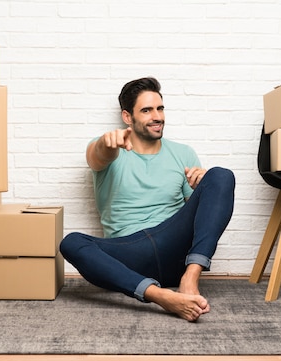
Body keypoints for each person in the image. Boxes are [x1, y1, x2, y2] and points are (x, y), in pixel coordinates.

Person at [60, 77, 235, 322]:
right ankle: (162, 297)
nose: (157, 116)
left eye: (160, 108)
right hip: (129, 256)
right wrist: (105, 144)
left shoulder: (183, 153)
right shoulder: (109, 148)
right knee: (71, 242)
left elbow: (201, 218)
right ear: (127, 117)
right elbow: (97, 156)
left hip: (173, 247)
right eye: (146, 110)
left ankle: (191, 278)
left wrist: (202, 188)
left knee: (220, 176)